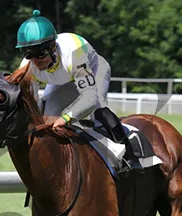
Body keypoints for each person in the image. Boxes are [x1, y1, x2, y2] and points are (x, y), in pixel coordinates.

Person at [16, 9, 143, 173]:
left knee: (98, 109)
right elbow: (31, 107)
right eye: (29, 54)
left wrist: (66, 117)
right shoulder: (27, 67)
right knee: (44, 115)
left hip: (94, 70)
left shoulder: (75, 53)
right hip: (61, 80)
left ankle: (130, 155)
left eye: (40, 53)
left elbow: (89, 97)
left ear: (53, 46)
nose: (36, 61)